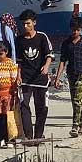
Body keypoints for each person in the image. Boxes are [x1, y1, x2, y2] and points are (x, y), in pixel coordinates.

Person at [54, 18, 82, 137]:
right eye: (73, 30)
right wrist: (58, 78)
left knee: (78, 100)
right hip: (71, 74)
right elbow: (62, 61)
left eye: (77, 30)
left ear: (81, 30)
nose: (75, 32)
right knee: (75, 101)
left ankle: (75, 125)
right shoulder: (66, 43)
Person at [15, 10, 53, 140]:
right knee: (24, 105)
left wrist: (46, 67)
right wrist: (18, 76)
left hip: (40, 78)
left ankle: (38, 134)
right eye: (23, 24)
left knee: (41, 107)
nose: (25, 26)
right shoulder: (19, 40)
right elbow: (19, 60)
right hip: (25, 78)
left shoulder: (42, 37)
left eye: (28, 23)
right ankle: (29, 135)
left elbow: (49, 55)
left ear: (34, 23)